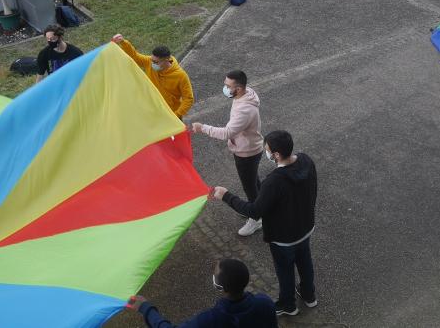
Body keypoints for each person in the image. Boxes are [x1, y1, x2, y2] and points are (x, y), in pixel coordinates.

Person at [212, 131, 318, 317]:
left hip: (283, 239)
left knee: (285, 271)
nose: (266, 153)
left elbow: (254, 211)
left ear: (276, 155)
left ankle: (288, 305)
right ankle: (309, 295)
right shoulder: (306, 160)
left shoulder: (274, 181)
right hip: (306, 228)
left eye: (267, 150)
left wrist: (226, 196)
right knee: (305, 261)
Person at [191, 70, 264, 236]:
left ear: (238, 89)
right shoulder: (246, 94)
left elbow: (227, 133)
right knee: (254, 181)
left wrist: (202, 128)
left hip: (246, 152)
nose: (224, 88)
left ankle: (256, 218)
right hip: (252, 147)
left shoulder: (244, 109)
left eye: (227, 86)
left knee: (250, 186)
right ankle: (260, 207)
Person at [128, 258, 278, 328]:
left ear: (220, 288)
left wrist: (146, 308)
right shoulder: (265, 302)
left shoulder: (210, 320)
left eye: (215, 273)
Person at [111, 34, 194, 119]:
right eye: (152, 60)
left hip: (172, 114)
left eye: (156, 62)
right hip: (152, 110)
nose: (152, 63)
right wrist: (123, 42)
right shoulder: (149, 62)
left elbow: (188, 98)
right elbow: (134, 56)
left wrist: (177, 115)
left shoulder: (181, 76)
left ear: (166, 60)